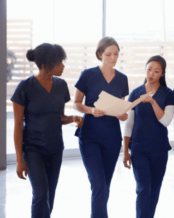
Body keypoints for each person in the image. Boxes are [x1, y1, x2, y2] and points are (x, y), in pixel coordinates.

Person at [11, 43, 84, 218]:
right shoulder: (24, 87)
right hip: (33, 149)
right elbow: (18, 126)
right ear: (44, 65)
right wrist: (19, 160)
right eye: (59, 62)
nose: (63, 66)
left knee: (49, 196)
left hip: (55, 149)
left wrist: (72, 118)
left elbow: (59, 117)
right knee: (41, 194)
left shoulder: (61, 86)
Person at [73, 37, 129, 218]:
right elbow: (76, 103)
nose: (113, 58)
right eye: (108, 54)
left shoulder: (122, 79)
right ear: (100, 55)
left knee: (105, 185)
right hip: (90, 136)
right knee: (98, 184)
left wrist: (123, 114)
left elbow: (121, 107)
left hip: (112, 139)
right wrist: (91, 110)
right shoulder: (87, 75)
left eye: (116, 54)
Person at [123, 55, 174, 218]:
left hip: (159, 150)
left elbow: (166, 121)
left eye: (156, 71)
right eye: (149, 69)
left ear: (162, 74)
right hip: (139, 149)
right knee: (143, 189)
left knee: (154, 190)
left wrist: (152, 102)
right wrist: (125, 151)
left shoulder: (168, 94)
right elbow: (129, 124)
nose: (151, 73)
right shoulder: (135, 93)